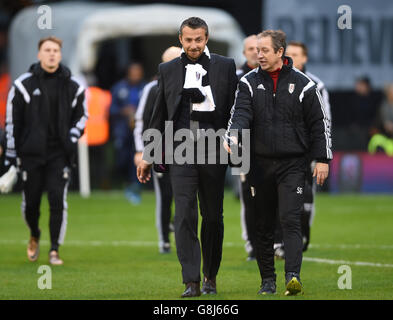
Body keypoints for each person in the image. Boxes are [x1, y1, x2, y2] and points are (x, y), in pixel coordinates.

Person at [225, 30, 332, 296]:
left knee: (290, 219)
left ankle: (292, 276)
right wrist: (234, 135)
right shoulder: (247, 83)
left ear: (279, 52)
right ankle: (267, 281)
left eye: (263, 50)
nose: (257, 54)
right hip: (258, 165)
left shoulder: (305, 85)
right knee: (262, 223)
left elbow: (319, 125)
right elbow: (240, 114)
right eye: (255, 50)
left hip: (293, 164)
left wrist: (322, 158)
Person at [137, 17, 238, 297]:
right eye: (188, 39)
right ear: (180, 39)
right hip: (180, 149)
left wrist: (240, 153)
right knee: (183, 214)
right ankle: (191, 281)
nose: (193, 45)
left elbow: (236, 112)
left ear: (206, 38)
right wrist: (148, 154)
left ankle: (210, 277)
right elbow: (159, 114)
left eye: (198, 39)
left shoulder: (225, 66)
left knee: (213, 217)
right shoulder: (167, 70)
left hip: (214, 148)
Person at [3, 36, 87, 265]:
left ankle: (54, 250)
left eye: (55, 50)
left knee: (57, 201)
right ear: (39, 54)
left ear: (60, 55)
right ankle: (34, 234)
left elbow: (82, 117)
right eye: (47, 50)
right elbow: (12, 123)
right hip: (31, 154)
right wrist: (11, 157)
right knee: (30, 204)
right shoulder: (23, 85)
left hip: (59, 154)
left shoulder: (74, 86)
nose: (51, 54)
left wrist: (71, 137)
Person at [280, 41, 332, 253]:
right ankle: (282, 241)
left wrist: (321, 155)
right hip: (283, 151)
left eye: (295, 54)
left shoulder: (316, 85)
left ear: (304, 58)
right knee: (283, 197)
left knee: (305, 197)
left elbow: (324, 121)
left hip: (307, 153)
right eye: (288, 53)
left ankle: (301, 237)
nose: (291, 57)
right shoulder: (279, 80)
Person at [134, 46, 182, 254]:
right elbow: (142, 120)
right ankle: (164, 239)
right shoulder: (152, 89)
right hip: (162, 150)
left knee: (185, 195)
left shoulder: (193, 85)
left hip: (187, 150)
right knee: (165, 196)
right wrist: (142, 151)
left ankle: (182, 235)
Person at [236, 34, 259, 261]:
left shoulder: (272, 77)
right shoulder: (235, 78)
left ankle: (274, 241)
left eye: (258, 48)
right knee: (248, 196)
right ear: (244, 53)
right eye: (250, 48)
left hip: (269, 146)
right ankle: (251, 242)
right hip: (242, 145)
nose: (254, 52)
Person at [110, 62, 145, 204]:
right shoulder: (118, 88)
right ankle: (124, 182)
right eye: (133, 72)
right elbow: (111, 110)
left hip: (140, 130)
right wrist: (123, 111)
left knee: (136, 159)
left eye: (138, 72)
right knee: (122, 158)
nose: (135, 75)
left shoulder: (145, 88)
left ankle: (134, 186)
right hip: (122, 130)